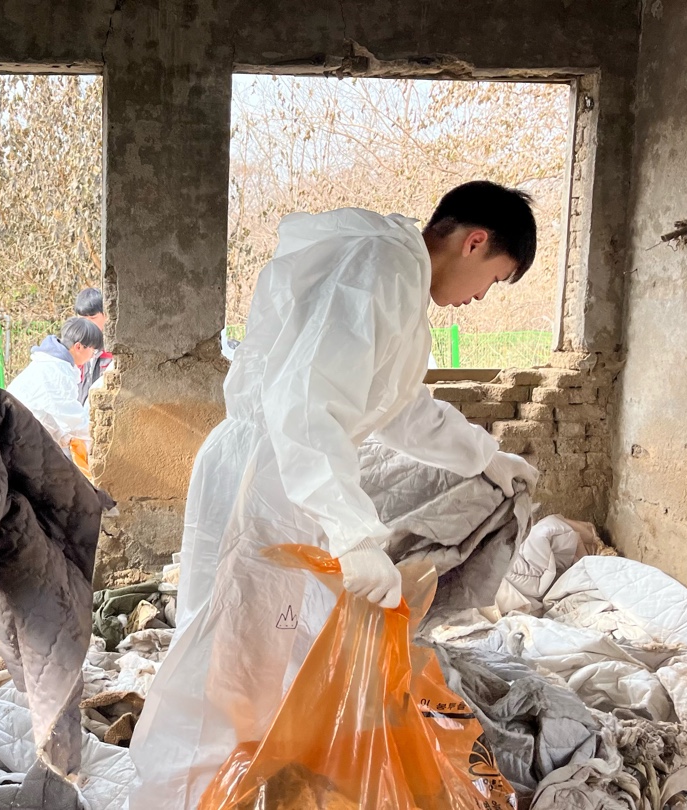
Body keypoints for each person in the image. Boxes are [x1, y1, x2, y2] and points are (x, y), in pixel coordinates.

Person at [128, 181, 542, 808]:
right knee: (232, 665)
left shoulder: (394, 281)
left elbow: (401, 408)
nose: (480, 297)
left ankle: (256, 788)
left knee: (283, 656)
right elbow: (307, 405)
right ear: (474, 241)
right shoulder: (379, 266)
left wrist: (488, 457)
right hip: (266, 476)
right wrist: (354, 534)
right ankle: (192, 797)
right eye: (492, 279)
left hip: (283, 476)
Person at [7, 317, 103, 469]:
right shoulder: (56, 371)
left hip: (21, 436)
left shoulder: (54, 364)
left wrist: (64, 437)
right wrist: (101, 435)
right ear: (78, 347)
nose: (93, 356)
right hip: (16, 439)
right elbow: (73, 420)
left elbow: (48, 415)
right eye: (93, 350)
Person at [74, 287, 113, 404]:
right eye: (83, 319)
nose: (87, 324)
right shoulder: (73, 349)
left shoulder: (114, 352)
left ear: (106, 316)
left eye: (92, 318)